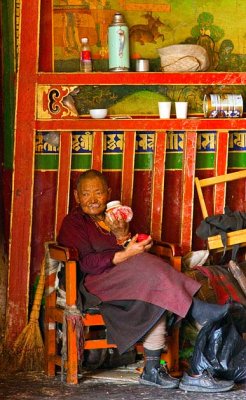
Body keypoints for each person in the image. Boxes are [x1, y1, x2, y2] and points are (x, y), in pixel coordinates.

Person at [57, 169, 235, 392]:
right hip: (95, 283)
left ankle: (152, 371)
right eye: (86, 194)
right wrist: (128, 254)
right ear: (76, 196)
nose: (93, 199)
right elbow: (87, 264)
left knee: (152, 287)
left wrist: (126, 238)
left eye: (99, 193)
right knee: (144, 266)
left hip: (128, 278)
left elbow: (129, 246)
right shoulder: (73, 223)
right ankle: (195, 309)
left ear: (108, 193)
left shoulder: (115, 215)